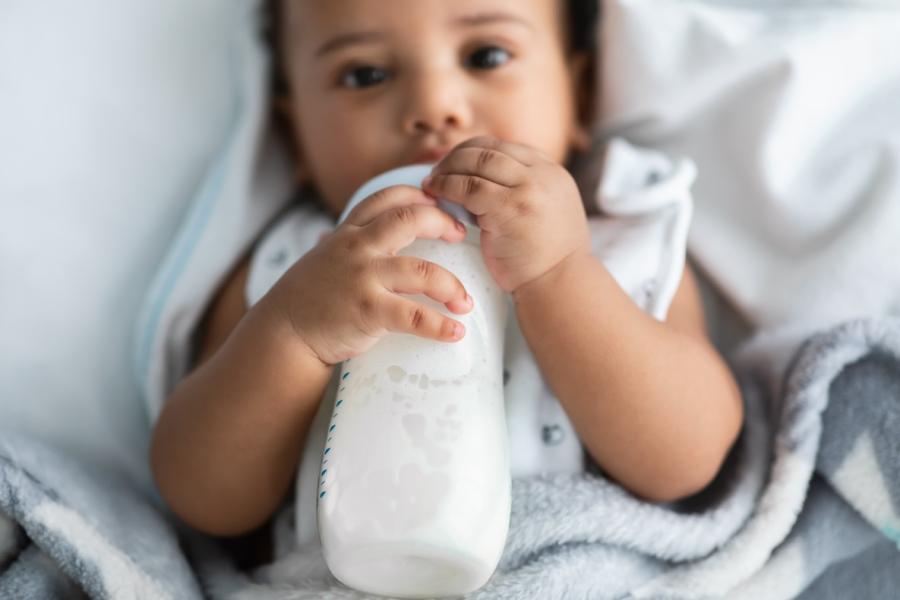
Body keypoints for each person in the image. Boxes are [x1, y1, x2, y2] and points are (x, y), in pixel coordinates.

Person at [149, 0, 744, 540]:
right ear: (295, 136)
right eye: (365, 74)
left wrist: (561, 274)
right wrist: (294, 335)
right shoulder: (293, 268)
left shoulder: (621, 245)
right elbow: (199, 494)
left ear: (579, 96)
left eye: (486, 56)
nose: (433, 106)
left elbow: (687, 461)